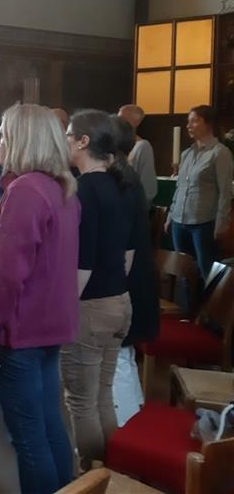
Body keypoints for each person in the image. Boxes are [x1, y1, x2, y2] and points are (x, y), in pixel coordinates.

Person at [0, 103, 79, 494]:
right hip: (50, 330)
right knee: (50, 431)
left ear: (23, 140)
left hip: (22, 334)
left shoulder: (25, 192)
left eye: (2, 134)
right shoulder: (61, 188)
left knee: (30, 440)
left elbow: (4, 277)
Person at [61, 110, 132, 470]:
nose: (66, 140)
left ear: (83, 142)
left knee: (80, 402)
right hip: (119, 299)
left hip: (92, 306)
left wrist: (63, 308)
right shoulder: (119, 185)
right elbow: (127, 252)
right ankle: (113, 475)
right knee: (101, 395)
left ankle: (91, 477)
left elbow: (83, 262)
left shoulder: (86, 189)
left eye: (69, 134)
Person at [109, 116, 159, 426]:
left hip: (128, 283)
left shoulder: (120, 180)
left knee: (119, 360)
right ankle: (133, 420)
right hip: (135, 279)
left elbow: (122, 246)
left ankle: (129, 432)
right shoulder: (124, 175)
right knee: (121, 360)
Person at [165, 105, 233, 282]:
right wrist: (170, 215)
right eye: (188, 122)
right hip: (180, 221)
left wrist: (221, 223)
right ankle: (189, 309)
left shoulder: (220, 153)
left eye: (194, 121)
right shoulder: (187, 153)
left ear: (208, 124)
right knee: (185, 273)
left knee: (207, 272)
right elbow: (179, 188)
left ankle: (208, 309)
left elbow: (225, 191)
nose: (189, 126)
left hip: (203, 222)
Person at [118, 104, 158, 204]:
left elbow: (148, 189)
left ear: (134, 123)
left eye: (121, 119)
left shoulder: (142, 146)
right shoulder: (113, 146)